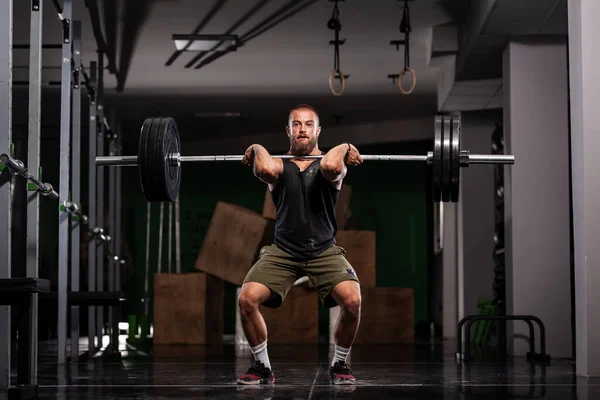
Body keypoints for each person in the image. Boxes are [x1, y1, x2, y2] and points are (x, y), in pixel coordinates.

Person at [237, 104, 364, 386]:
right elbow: (264, 168)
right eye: (296, 124)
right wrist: (257, 146)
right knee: (246, 300)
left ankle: (340, 363)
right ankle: (262, 367)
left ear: (318, 131)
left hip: (323, 250)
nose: (302, 129)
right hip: (283, 251)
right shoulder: (279, 166)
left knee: (353, 301)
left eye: (308, 124)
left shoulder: (333, 163)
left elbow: (330, 166)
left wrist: (344, 146)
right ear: (288, 130)